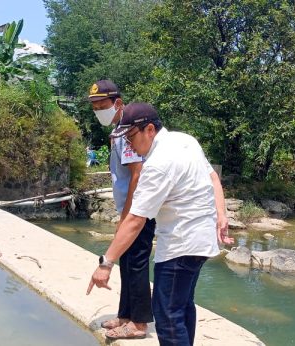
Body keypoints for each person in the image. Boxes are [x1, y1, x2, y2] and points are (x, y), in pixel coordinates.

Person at [87, 103, 233, 346]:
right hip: (201, 240)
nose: (130, 145)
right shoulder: (185, 140)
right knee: (183, 305)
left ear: (150, 129)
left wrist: (106, 263)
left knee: (167, 314)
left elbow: (135, 220)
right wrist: (221, 214)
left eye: (131, 136)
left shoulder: (158, 164)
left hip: (181, 245)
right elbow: (212, 176)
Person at [87, 80, 155, 339]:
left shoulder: (129, 132)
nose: (97, 111)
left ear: (118, 103)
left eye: (102, 106)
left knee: (136, 263)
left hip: (139, 209)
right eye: (94, 107)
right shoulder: (118, 130)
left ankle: (139, 324)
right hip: (129, 208)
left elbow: (137, 175)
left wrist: (126, 216)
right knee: (127, 262)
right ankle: (126, 315)